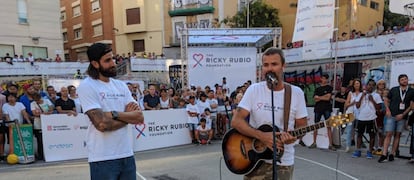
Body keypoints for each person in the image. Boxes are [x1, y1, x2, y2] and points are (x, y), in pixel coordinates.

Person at [231, 47, 307, 180]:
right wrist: (262, 136)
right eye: (266, 65)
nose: (269, 69)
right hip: (254, 160)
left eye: (274, 64)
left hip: (283, 163)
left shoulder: (296, 93)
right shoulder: (254, 90)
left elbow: (302, 126)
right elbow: (236, 121)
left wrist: (293, 137)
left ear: (283, 66)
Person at [77, 43, 144, 180]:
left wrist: (113, 114)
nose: (113, 63)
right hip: (102, 158)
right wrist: (127, 117)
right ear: (95, 63)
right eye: (107, 60)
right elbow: (102, 124)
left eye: (112, 59)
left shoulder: (121, 86)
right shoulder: (87, 86)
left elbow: (139, 117)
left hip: (127, 155)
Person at [379, 74, 414, 163]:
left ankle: (392, 153)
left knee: (397, 135)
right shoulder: (394, 89)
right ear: (399, 81)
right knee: (388, 134)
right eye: (402, 79)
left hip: (402, 116)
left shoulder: (411, 91)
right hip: (391, 115)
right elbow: (386, 99)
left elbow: (411, 106)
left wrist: (403, 114)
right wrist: (387, 110)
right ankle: (384, 154)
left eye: (406, 79)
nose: (404, 81)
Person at [352, 79, 382, 159]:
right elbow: (357, 106)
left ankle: (369, 151)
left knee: (372, 135)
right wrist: (362, 97)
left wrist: (372, 100)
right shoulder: (361, 94)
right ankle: (358, 150)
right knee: (359, 135)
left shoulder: (376, 95)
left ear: (374, 87)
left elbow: (379, 108)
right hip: (361, 117)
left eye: (372, 85)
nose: (370, 86)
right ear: (366, 86)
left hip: (371, 118)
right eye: (369, 85)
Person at [309, 73, 336, 150]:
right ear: (321, 79)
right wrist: (324, 97)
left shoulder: (329, 88)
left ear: (327, 79)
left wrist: (319, 98)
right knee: (316, 125)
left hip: (326, 108)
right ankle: (314, 142)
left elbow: (328, 98)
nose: (324, 80)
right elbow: (315, 98)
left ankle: (330, 144)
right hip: (318, 108)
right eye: (323, 78)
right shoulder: (317, 89)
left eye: (325, 78)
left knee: (328, 126)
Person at [30, 92, 54, 160]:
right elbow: (34, 113)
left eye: (38, 99)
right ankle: (40, 155)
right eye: (36, 100)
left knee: (48, 139)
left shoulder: (46, 101)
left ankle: (49, 153)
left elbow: (51, 109)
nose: (37, 101)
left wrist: (44, 113)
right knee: (39, 140)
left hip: (48, 123)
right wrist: (45, 113)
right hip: (38, 124)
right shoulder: (33, 104)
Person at [344, 79, 363, 152]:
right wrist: (352, 103)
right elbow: (346, 104)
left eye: (358, 83)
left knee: (358, 130)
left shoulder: (362, 93)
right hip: (350, 112)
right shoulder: (350, 93)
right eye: (355, 84)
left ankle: (357, 146)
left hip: (359, 113)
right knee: (349, 130)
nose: (356, 85)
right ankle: (348, 146)